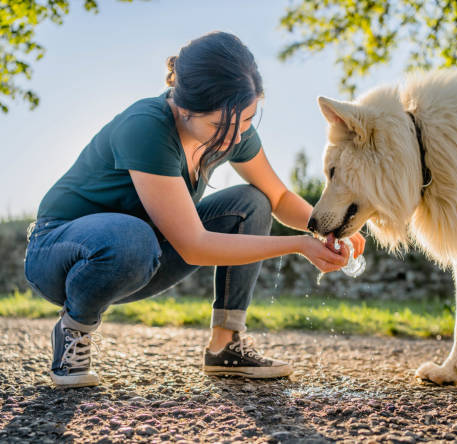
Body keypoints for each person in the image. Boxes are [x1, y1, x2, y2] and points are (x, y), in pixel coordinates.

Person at [24, 31, 366, 388]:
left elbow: (278, 198)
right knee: (133, 238)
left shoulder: (232, 126)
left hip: (147, 252)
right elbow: (193, 245)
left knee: (253, 203)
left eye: (248, 120)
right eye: (219, 126)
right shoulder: (146, 126)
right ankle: (74, 329)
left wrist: (329, 227)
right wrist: (297, 245)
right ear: (184, 107)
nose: (234, 137)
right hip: (60, 255)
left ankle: (226, 346)